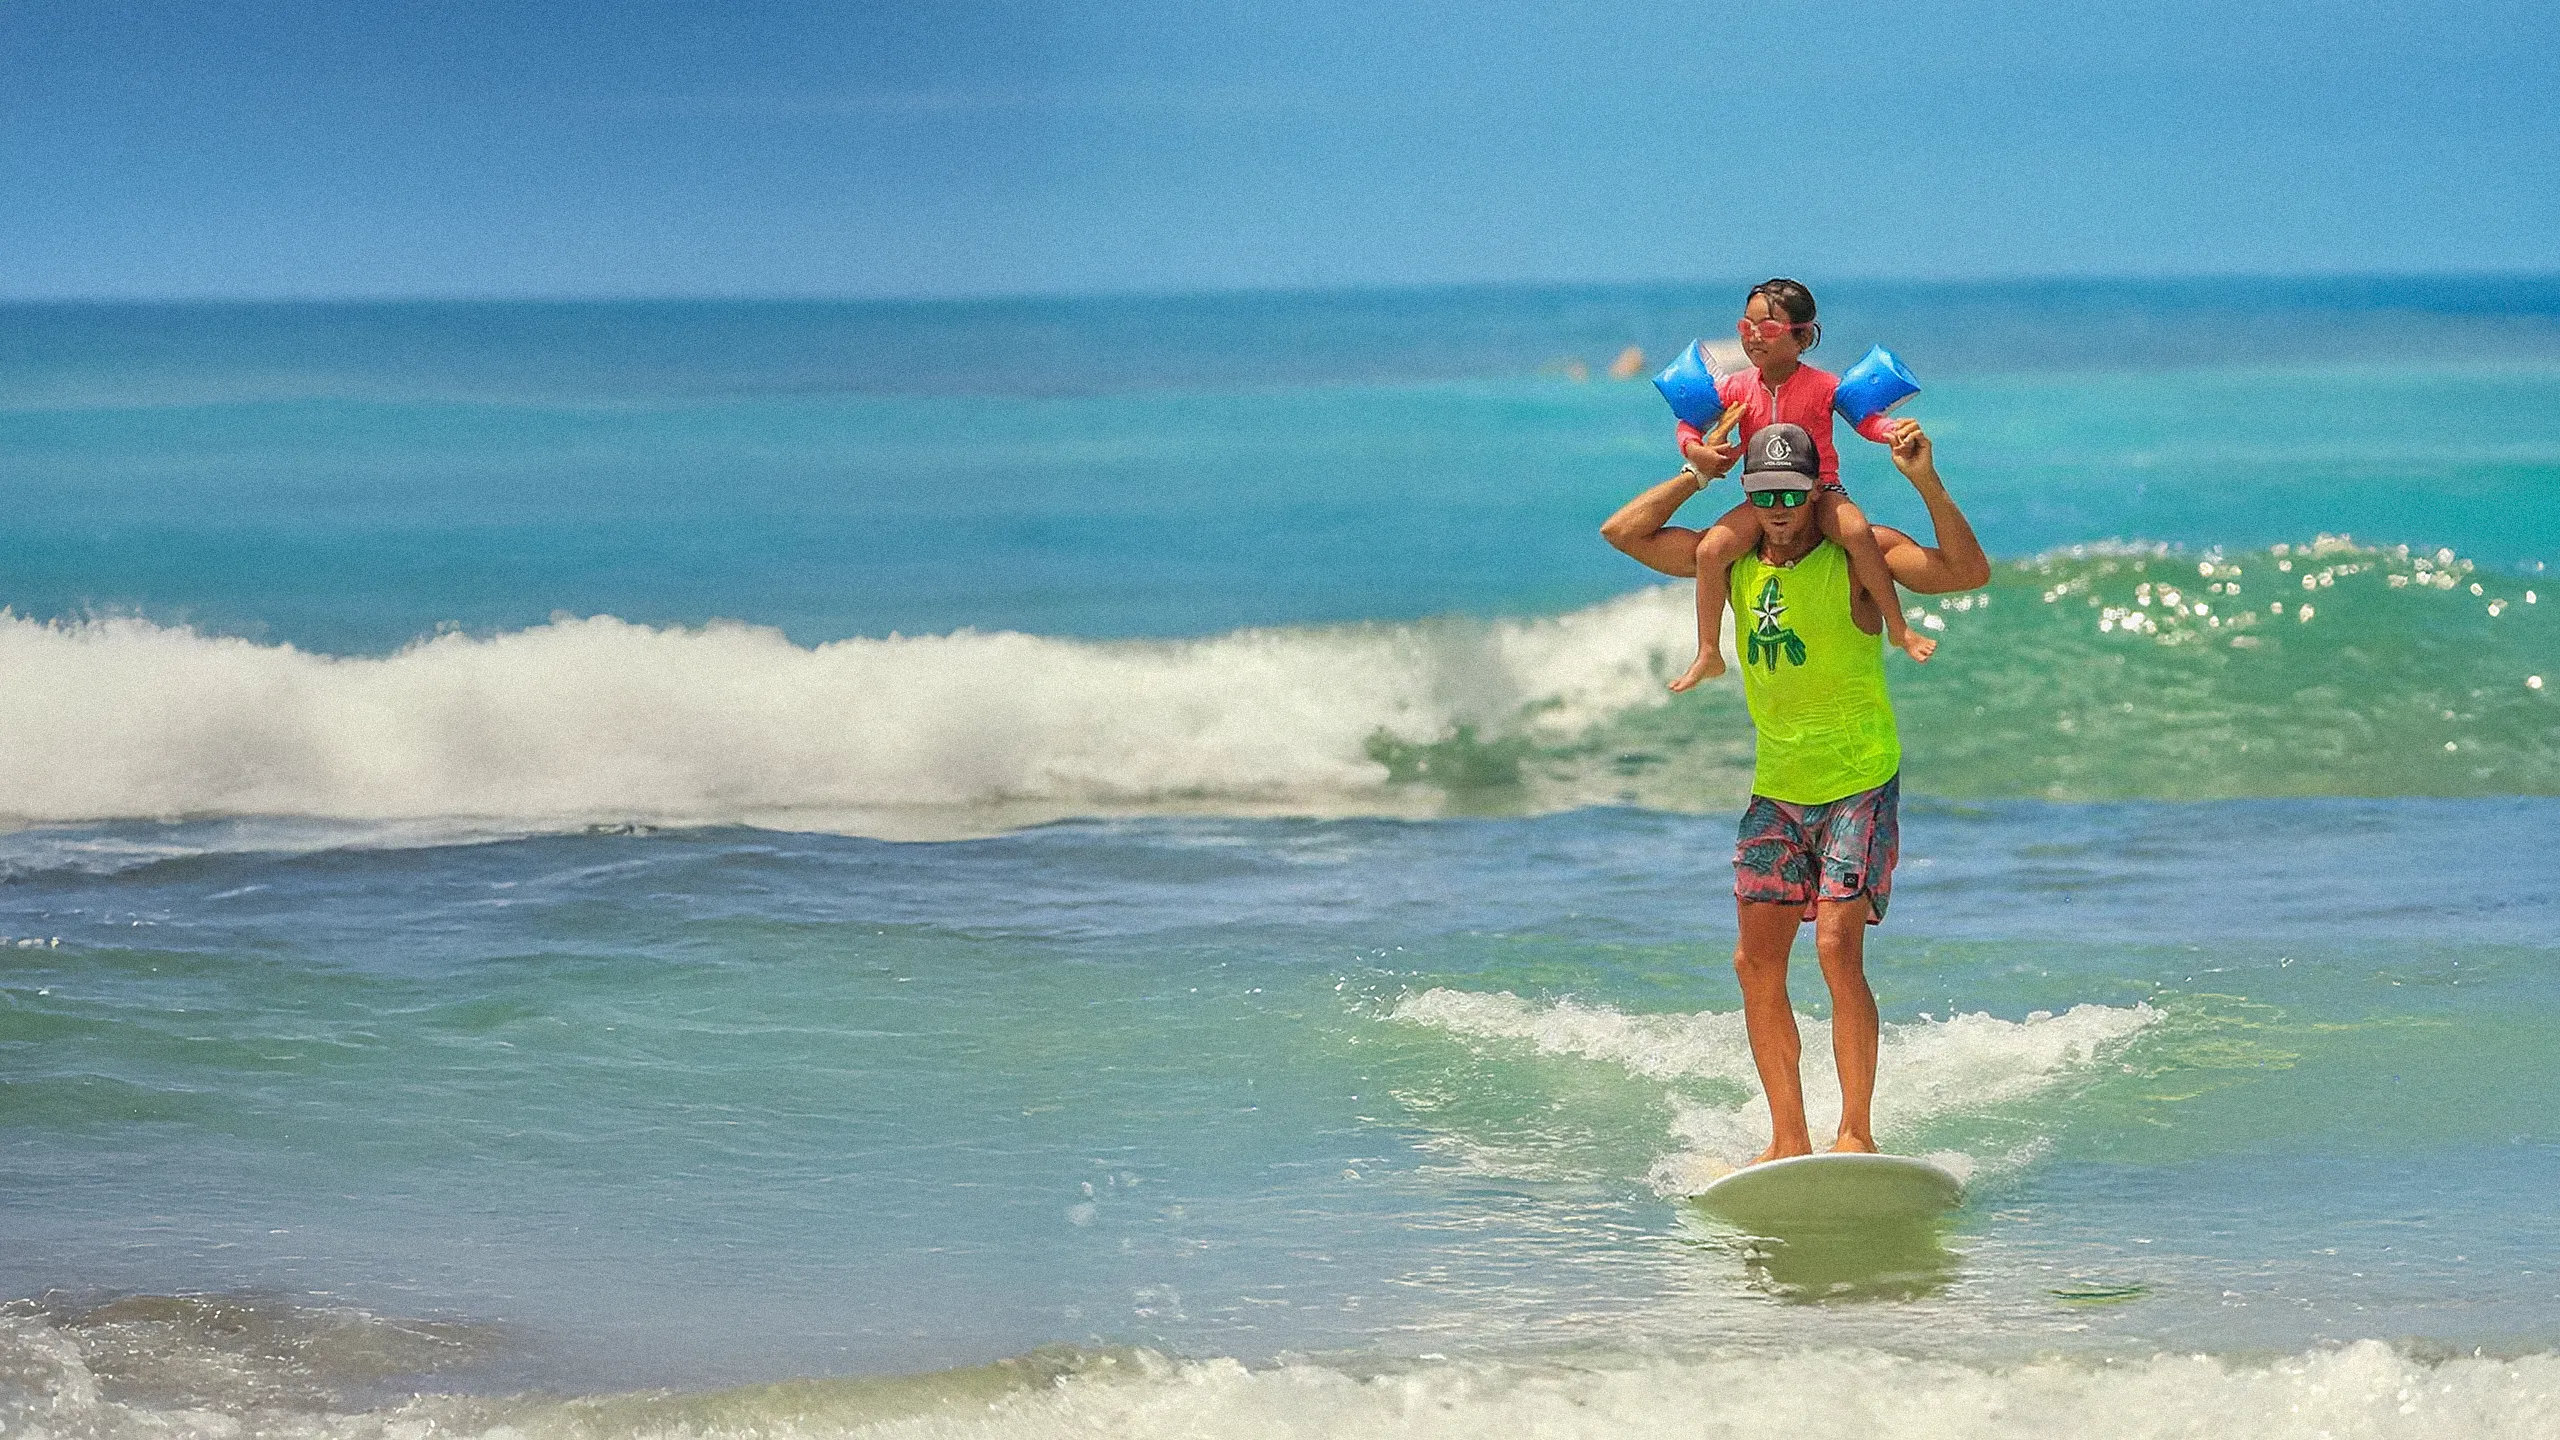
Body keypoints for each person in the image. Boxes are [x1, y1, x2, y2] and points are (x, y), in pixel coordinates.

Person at [1600, 420, 1989, 1163]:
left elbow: (1967, 572)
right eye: (1764, 494)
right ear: (1749, 493)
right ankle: (1787, 1137)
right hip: (1777, 789)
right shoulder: (1732, 562)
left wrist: (1924, 480)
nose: (1779, 509)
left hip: (1859, 781)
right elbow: (1624, 532)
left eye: (1792, 493)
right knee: (1755, 964)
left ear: (1817, 491)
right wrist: (1699, 473)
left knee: (1838, 949)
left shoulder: (1860, 557)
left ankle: (1856, 1134)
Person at [1668, 279, 1935, 692]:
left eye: (1769, 327)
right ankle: (1708, 652)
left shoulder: (1823, 386)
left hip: (1820, 489)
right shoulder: (1736, 388)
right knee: (1709, 551)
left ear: (1803, 337)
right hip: (1763, 498)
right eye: (1747, 326)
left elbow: (1866, 421)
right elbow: (1688, 423)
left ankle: (1898, 628)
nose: (1754, 337)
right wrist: (1695, 451)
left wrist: (1892, 432)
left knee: (1856, 532)